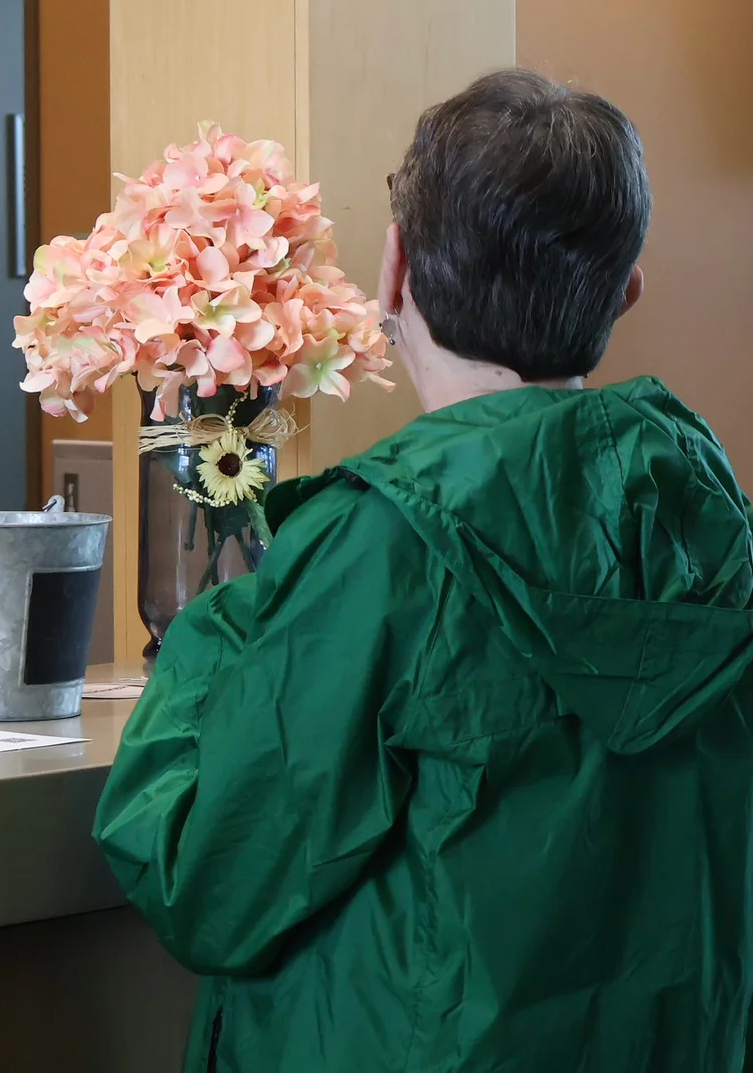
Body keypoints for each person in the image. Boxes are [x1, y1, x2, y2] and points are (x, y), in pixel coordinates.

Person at [94, 69, 753, 1071]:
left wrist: (215, 632)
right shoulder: (716, 537)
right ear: (627, 289)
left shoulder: (378, 549)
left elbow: (204, 881)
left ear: (393, 271)